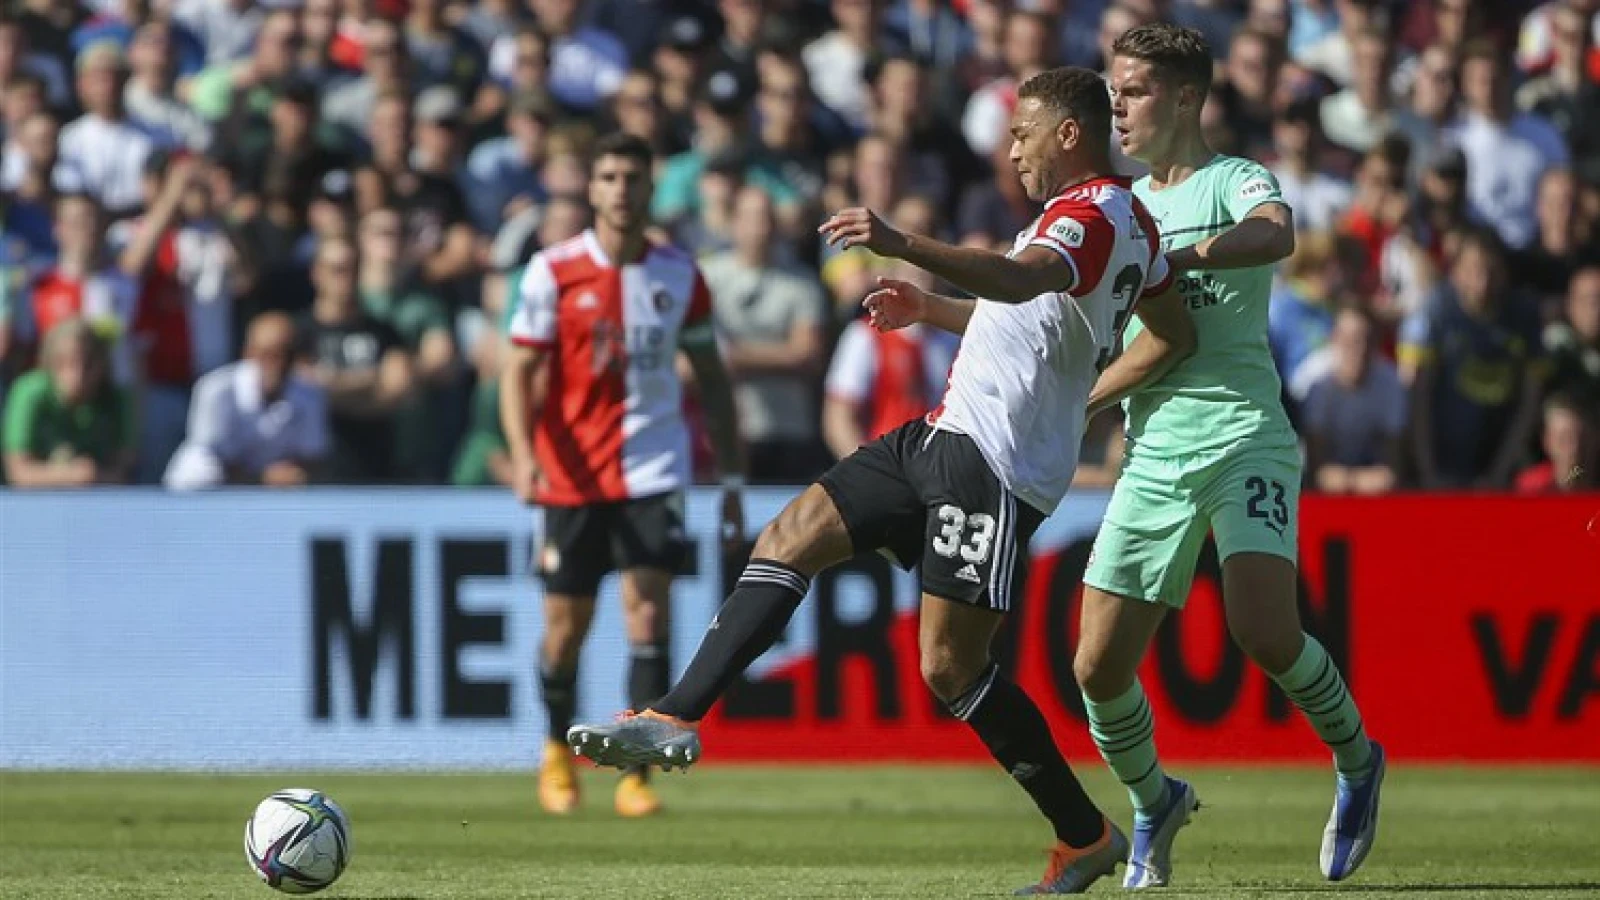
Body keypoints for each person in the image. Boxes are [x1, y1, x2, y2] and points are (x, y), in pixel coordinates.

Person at [569, 67, 1195, 894]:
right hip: (941, 433)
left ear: (1068, 133)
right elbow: (1154, 331)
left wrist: (900, 242)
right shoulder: (1114, 226)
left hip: (996, 466)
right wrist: (932, 310)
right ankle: (674, 715)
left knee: (950, 669)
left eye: (1023, 133)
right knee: (792, 534)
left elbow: (1025, 283)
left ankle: (1084, 836)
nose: (1012, 150)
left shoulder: (1095, 216)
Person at [1083, 23, 1384, 888]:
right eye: (1114, 91)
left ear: (1185, 96)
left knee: (1262, 629)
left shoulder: (1236, 179)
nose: (1119, 106)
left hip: (1245, 432)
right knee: (1097, 667)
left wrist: (1175, 257)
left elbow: (1274, 234)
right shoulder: (1119, 204)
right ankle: (1154, 801)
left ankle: (1358, 760)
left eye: (1134, 90)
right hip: (1151, 451)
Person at [499, 133, 746, 821]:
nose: (620, 189)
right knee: (564, 629)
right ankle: (554, 751)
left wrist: (729, 478)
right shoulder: (552, 271)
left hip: (652, 465)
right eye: (608, 176)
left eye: (632, 177)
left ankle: (637, 773)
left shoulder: (678, 273)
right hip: (570, 474)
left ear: (648, 187)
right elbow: (517, 372)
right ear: (593, 188)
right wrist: (523, 455)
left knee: (647, 613)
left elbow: (714, 379)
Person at [163, 312, 329, 490]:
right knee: (203, 472)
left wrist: (292, 473)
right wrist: (263, 477)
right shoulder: (216, 390)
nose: (277, 363)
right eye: (267, 354)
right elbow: (213, 459)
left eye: (286, 354)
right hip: (205, 493)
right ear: (248, 352)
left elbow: (313, 458)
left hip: (272, 497)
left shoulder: (311, 394)